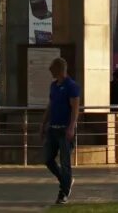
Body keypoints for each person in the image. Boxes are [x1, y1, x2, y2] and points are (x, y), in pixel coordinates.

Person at [40, 56, 80, 206]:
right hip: (53, 129)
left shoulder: (72, 86)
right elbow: (50, 105)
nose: (50, 71)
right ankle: (65, 180)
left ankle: (63, 192)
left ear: (59, 69)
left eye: (52, 68)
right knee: (47, 159)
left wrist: (71, 127)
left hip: (64, 130)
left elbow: (75, 109)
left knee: (65, 162)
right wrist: (43, 123)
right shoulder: (54, 86)